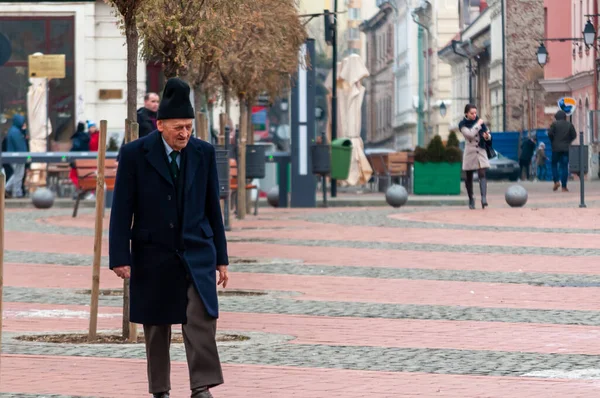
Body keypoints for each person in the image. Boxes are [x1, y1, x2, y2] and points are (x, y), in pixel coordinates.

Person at [109, 77, 229, 398]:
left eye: (189, 127)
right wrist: (120, 256)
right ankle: (160, 389)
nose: (185, 134)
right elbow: (122, 208)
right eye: (178, 127)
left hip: (197, 250)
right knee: (156, 325)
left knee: (200, 317)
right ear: (160, 124)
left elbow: (211, 209)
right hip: (153, 251)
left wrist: (221, 259)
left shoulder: (203, 153)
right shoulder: (135, 154)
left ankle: (201, 386)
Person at [459, 104, 492, 209]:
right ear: (466, 114)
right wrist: (478, 124)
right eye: (472, 113)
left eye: (475, 113)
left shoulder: (481, 123)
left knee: (482, 173)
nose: (474, 115)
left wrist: (487, 136)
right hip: (470, 153)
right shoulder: (463, 125)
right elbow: (469, 134)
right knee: (468, 177)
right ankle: (471, 198)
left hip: (481, 151)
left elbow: (488, 134)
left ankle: (483, 198)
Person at [548, 110, 577, 192]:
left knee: (554, 165)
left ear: (556, 117)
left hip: (556, 148)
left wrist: (553, 141)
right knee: (564, 166)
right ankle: (564, 187)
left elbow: (549, 133)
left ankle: (556, 181)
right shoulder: (569, 125)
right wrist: (568, 141)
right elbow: (574, 135)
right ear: (565, 117)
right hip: (566, 148)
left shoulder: (554, 124)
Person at [4, 114, 28, 198]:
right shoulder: (15, 132)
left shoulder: (15, 130)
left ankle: (6, 189)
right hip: (17, 157)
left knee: (17, 174)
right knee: (19, 175)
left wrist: (24, 131)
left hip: (14, 156)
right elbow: (20, 146)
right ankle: (17, 192)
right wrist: (25, 156)